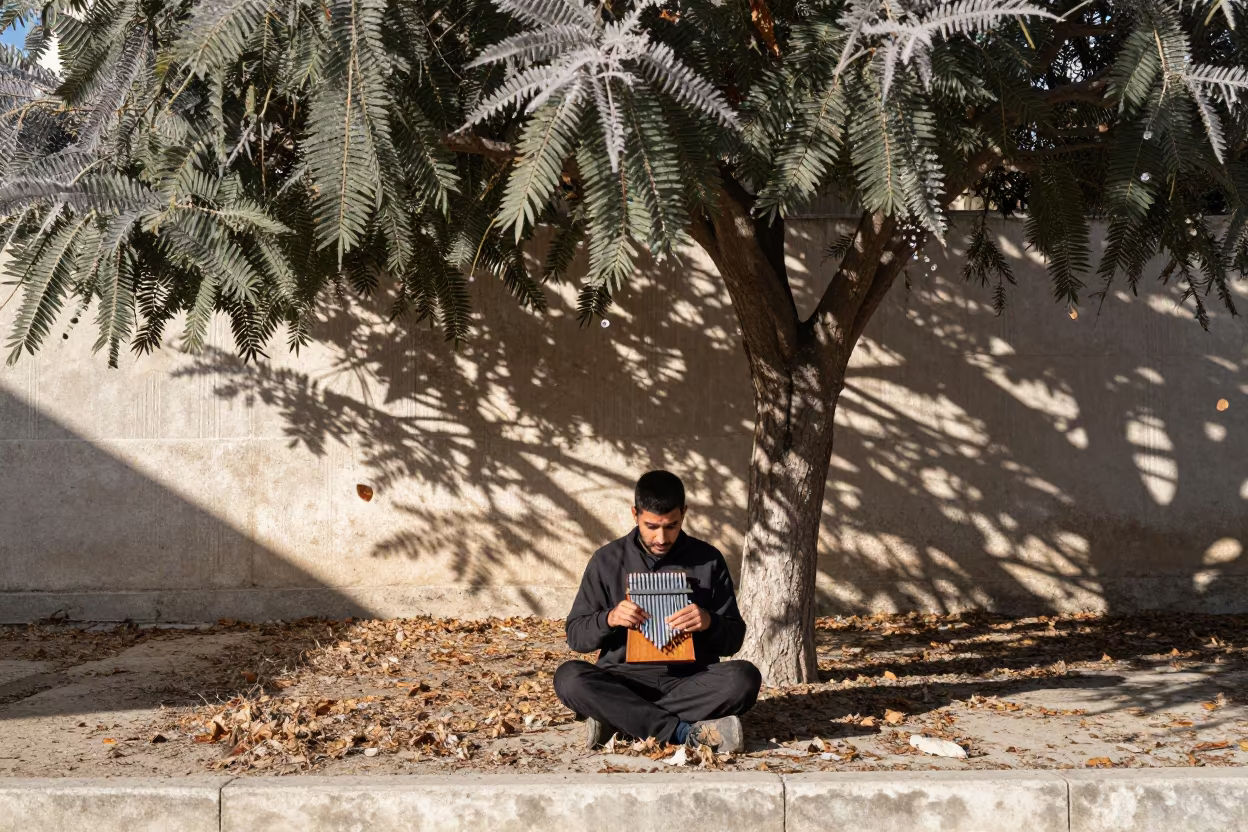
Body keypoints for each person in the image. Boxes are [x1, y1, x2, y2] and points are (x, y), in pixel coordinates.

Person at [554, 470, 761, 752]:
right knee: (569, 678)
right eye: (651, 526)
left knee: (744, 678)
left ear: (684, 514)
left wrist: (709, 622)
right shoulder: (606, 560)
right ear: (635, 514)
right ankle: (682, 731)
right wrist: (609, 618)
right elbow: (576, 637)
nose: (661, 537)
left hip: (690, 681)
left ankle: (621, 721)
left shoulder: (708, 559)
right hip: (624, 680)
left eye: (672, 526)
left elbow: (733, 639)